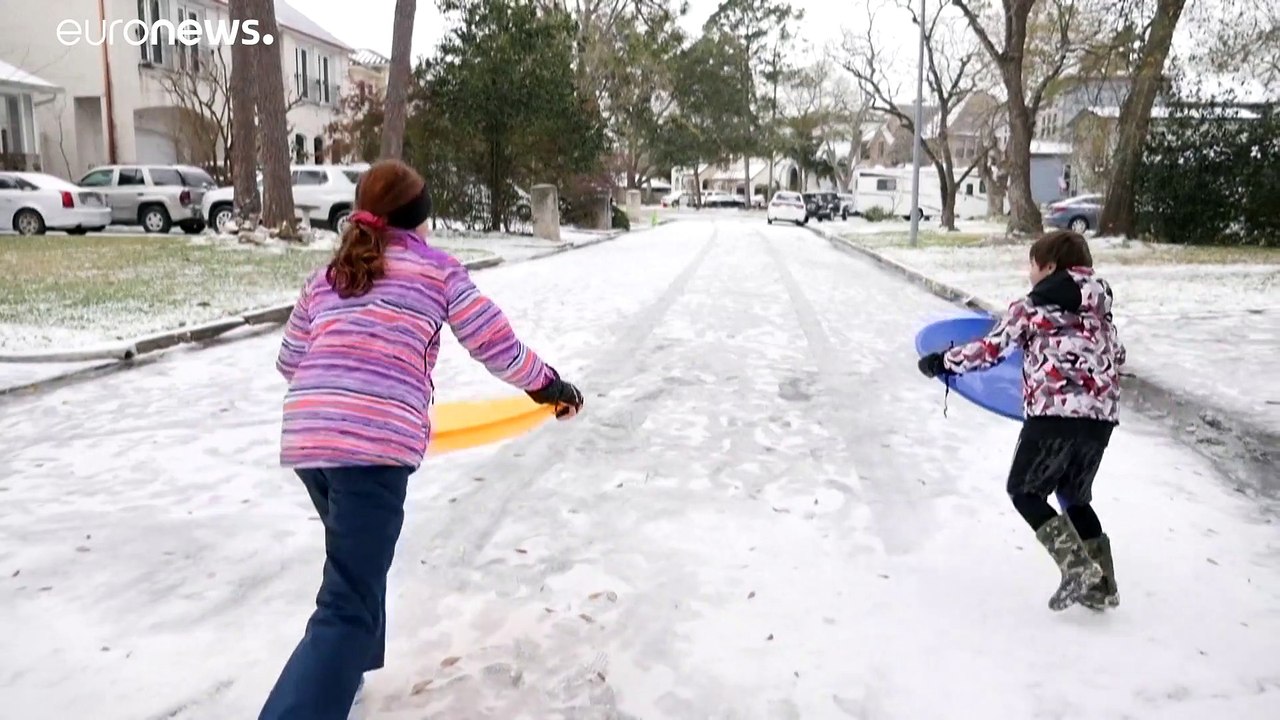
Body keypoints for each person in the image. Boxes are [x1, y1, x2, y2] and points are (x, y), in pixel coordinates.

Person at [261, 160, 583, 720]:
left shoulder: (329, 275)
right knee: (346, 605)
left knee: (356, 569)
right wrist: (548, 385)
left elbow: (290, 360)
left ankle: (348, 674)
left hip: (310, 439)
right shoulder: (436, 271)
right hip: (374, 450)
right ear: (420, 217)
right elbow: (495, 343)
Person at [917, 230, 1124, 612]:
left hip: (1053, 416)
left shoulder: (1031, 307)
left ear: (1049, 266)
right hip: (1100, 420)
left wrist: (941, 363)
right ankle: (1104, 584)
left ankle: (1078, 570)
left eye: (1032, 263)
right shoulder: (1101, 313)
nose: (1029, 272)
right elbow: (1118, 359)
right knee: (1073, 497)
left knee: (1025, 490)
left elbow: (991, 350)